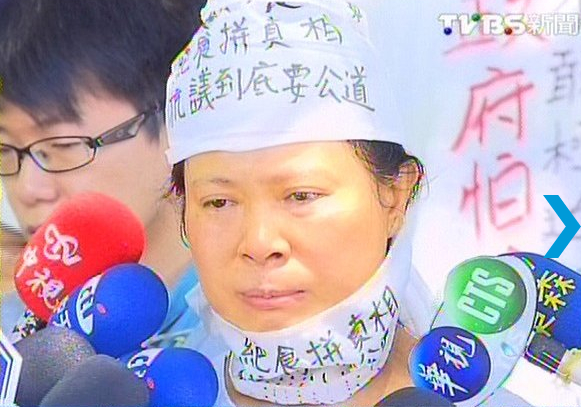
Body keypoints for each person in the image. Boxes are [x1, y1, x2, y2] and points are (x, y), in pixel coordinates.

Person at [165, 1, 535, 406]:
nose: (259, 243)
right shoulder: (155, 392)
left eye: (301, 196)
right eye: (219, 202)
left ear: (394, 198)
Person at [0, 0, 205, 347]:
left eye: (64, 146)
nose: (28, 188)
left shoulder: (256, 325)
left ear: (174, 114)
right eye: (5, 151)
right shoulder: (14, 334)